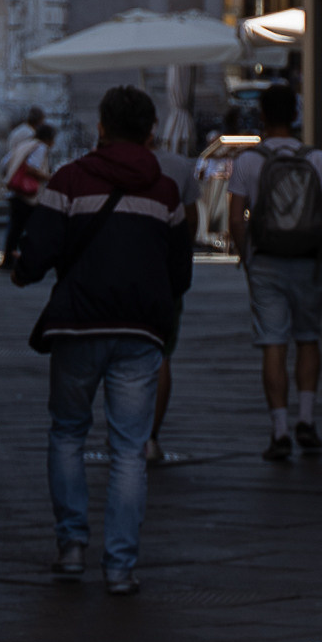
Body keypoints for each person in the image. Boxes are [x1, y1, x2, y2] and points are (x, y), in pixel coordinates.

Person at [13, 84, 194, 594]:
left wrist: (24, 271)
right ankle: (120, 566)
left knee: (68, 433)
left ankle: (71, 546)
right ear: (151, 133)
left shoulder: (70, 180)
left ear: (102, 128)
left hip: (78, 323)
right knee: (130, 449)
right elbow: (180, 270)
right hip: (140, 330)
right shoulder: (164, 191)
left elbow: (39, 248)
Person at [228, 80, 322, 459]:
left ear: (261, 116)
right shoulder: (317, 158)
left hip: (267, 261)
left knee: (273, 343)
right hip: (307, 259)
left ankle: (279, 430)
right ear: (295, 115)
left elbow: (236, 219)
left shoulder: (248, 161)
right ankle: (306, 419)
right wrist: (319, 247)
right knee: (308, 338)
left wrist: (248, 258)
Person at [143, 130, 201, 464]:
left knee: (118, 352)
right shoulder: (177, 167)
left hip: (119, 273)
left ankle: (125, 430)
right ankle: (150, 436)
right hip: (164, 273)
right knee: (161, 352)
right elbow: (190, 220)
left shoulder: (100, 166)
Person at [0, 107, 57, 269]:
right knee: (36, 227)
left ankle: (8, 259)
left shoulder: (25, 145)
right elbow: (32, 168)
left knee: (15, 229)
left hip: (15, 192)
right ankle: (31, 258)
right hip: (29, 195)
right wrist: (48, 177)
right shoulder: (40, 147)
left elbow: (5, 163)